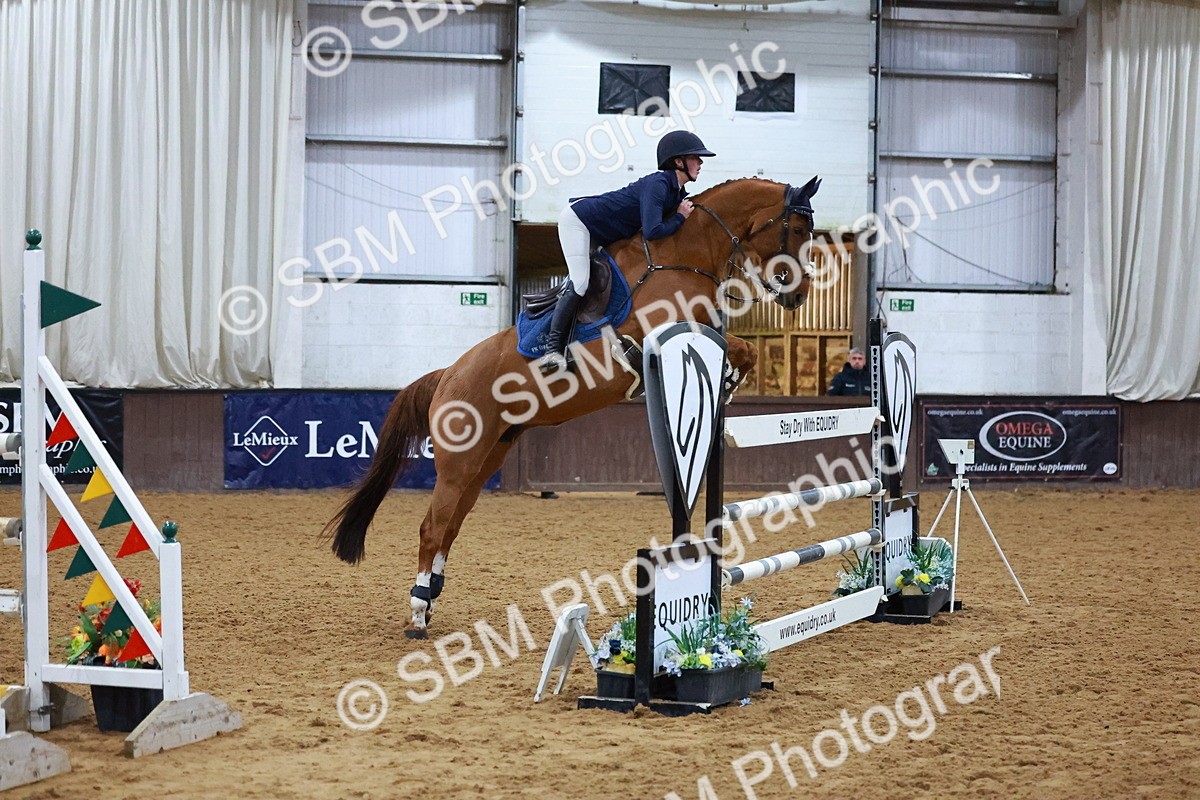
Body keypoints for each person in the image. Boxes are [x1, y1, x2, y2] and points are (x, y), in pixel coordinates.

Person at [540, 130, 716, 373]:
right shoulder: (658, 185)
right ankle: (552, 351)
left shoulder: (675, 192)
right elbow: (653, 231)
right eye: (695, 157)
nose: (700, 162)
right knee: (580, 282)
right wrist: (679, 217)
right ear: (678, 162)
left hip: (604, 231)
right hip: (580, 221)